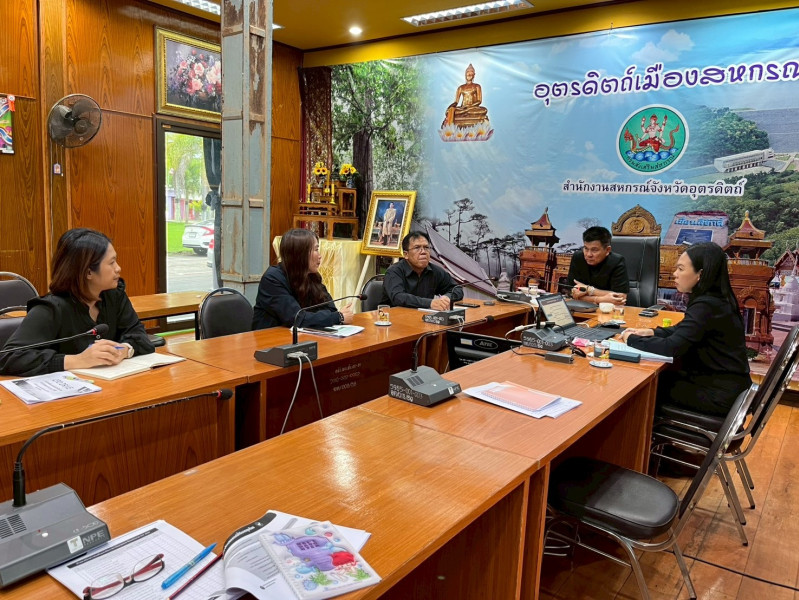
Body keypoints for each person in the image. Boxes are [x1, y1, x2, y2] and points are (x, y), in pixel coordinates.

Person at [0, 228, 154, 376]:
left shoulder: (114, 296)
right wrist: (77, 360)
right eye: (111, 263)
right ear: (88, 272)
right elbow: (9, 357)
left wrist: (124, 350)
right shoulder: (50, 308)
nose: (118, 268)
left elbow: (139, 335)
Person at [620, 242, 750, 417]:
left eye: (681, 269)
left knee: (639, 386)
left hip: (718, 394)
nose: (675, 274)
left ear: (700, 274)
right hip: (728, 388)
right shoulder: (716, 300)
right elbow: (682, 329)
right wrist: (652, 332)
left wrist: (631, 339)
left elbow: (672, 347)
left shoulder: (706, 305)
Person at [252, 228, 354, 330]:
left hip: (301, 336)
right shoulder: (272, 279)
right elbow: (297, 318)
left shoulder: (311, 275)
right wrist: (338, 317)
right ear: (300, 253)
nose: (320, 256)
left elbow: (330, 309)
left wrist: (331, 316)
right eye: (316, 250)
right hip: (270, 337)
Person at [381, 231, 463, 310]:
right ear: (406, 254)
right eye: (417, 248)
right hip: (393, 316)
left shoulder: (434, 271)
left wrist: (447, 297)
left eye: (426, 247)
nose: (423, 252)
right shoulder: (394, 271)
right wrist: (430, 303)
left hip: (424, 316)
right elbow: (398, 297)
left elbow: (457, 289)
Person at [566, 226, 628, 305]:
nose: (589, 254)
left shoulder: (617, 261)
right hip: (581, 307)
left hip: (608, 309)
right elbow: (571, 293)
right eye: (586, 248)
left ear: (607, 250)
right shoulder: (578, 257)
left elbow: (621, 297)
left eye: (594, 250)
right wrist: (600, 299)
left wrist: (589, 290)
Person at [442, 64, 489, 128]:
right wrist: (450, 107)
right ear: (465, 74)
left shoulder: (477, 86)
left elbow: (479, 101)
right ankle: (463, 112)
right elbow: (456, 102)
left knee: (484, 110)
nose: (469, 74)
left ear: (474, 75)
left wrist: (469, 107)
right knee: (449, 111)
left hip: (472, 108)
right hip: (462, 108)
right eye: (468, 72)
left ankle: (464, 112)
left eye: (471, 72)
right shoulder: (461, 87)